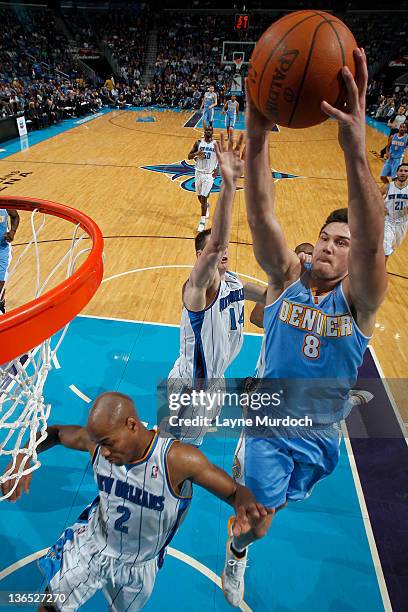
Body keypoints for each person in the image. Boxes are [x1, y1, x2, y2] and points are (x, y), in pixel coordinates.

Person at [221, 48, 388, 607]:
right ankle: (238, 552)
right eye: (325, 236)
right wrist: (258, 130)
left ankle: (255, 502)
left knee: (283, 501)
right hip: (270, 419)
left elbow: (370, 240)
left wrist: (355, 151)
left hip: (319, 434)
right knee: (260, 520)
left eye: (341, 243)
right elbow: (262, 215)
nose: (329, 245)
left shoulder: (359, 303)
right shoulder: (287, 277)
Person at [1, 392, 270, 611]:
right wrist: (24, 455)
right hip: (92, 546)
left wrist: (244, 503)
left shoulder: (176, 460)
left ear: (132, 424)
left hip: (139, 566)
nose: (103, 452)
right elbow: (57, 433)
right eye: (99, 444)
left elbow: (234, 492)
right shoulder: (98, 445)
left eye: (109, 443)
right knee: (50, 605)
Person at [168, 134, 266, 445]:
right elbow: (218, 244)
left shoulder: (234, 282)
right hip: (190, 387)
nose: (222, 251)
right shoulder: (199, 287)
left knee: (191, 449)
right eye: (213, 249)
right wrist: (228, 183)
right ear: (201, 256)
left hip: (216, 382)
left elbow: (271, 296)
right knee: (174, 453)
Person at [188, 125, 218, 231]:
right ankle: (207, 207)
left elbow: (221, 157)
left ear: (213, 132)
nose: (208, 132)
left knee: (204, 197)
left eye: (210, 130)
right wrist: (197, 153)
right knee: (199, 197)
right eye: (207, 130)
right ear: (204, 131)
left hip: (209, 175)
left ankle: (202, 221)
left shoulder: (216, 144)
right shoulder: (198, 143)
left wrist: (217, 170)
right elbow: (189, 156)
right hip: (198, 173)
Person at [382, 162, 408, 258]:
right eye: (401, 170)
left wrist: (401, 213)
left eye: (406, 171)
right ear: (396, 173)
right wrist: (382, 206)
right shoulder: (388, 186)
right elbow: (375, 197)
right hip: (388, 221)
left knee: (392, 248)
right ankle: (380, 271)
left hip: (402, 223)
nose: (403, 173)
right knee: (385, 248)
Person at [0, 206, 20, 314]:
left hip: (2, 248)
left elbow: (15, 216)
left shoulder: (4, 205)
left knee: (0, 282)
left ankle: (1, 305)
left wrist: (12, 231)